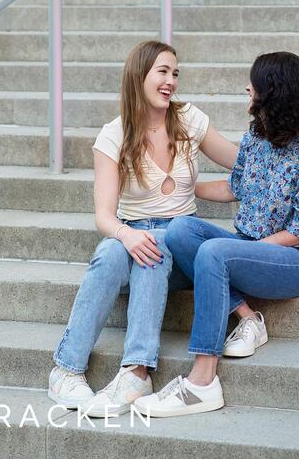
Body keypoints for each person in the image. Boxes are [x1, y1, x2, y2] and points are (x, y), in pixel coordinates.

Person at [135, 51, 299, 417]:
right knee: (180, 230)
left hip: (297, 261)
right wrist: (183, 186)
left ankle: (202, 382)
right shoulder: (256, 140)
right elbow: (233, 188)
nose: (247, 87)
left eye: (253, 83)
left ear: (274, 92)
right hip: (250, 247)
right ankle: (248, 317)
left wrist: (244, 251)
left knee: (215, 252)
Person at [48, 40, 238, 417]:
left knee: (155, 246)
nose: (171, 81)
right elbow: (104, 217)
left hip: (181, 243)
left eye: (175, 73)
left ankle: (136, 371)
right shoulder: (114, 135)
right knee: (111, 251)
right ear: (139, 76)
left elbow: (241, 162)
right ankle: (67, 370)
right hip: (132, 235)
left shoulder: (189, 120)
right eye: (162, 72)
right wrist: (126, 233)